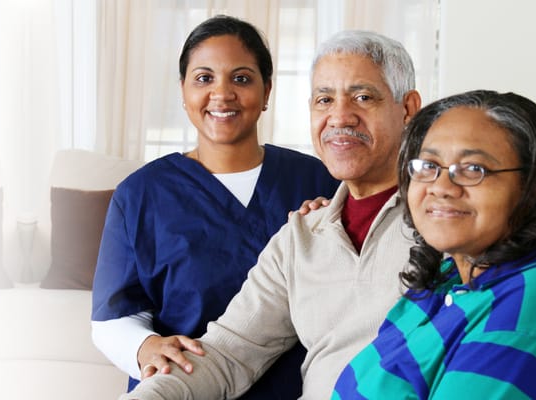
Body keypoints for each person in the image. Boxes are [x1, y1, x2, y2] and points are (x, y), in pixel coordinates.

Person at [122, 29, 422, 400]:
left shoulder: (444, 224)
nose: (340, 116)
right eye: (324, 100)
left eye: (363, 97)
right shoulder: (301, 237)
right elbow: (227, 353)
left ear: (407, 108)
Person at [90, 15, 339, 397]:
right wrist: (145, 347)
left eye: (241, 78)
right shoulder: (141, 194)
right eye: (204, 78)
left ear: (267, 90)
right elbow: (113, 317)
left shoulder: (319, 181)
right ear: (183, 89)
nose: (222, 94)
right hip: (187, 384)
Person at [332, 90, 536, 399]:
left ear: (532, 186)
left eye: (474, 169)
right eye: (428, 166)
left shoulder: (528, 316)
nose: (441, 187)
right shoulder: (448, 277)